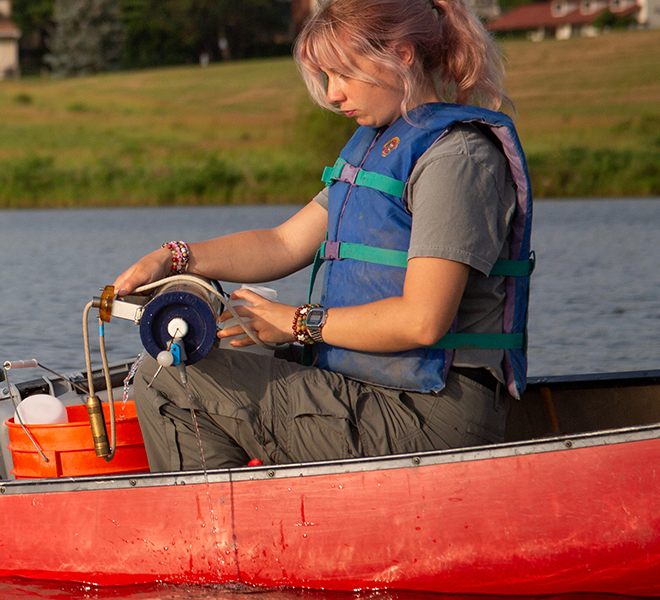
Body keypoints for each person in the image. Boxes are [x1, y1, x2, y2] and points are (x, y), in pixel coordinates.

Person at [112, 0, 533, 471]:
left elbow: (423, 321)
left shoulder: (456, 157)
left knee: (164, 380)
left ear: (402, 53)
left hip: (431, 416)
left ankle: (218, 536)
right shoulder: (380, 147)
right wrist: (175, 257)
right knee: (202, 353)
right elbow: (283, 243)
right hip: (377, 396)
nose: (333, 95)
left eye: (343, 74)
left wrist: (296, 322)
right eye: (326, 78)